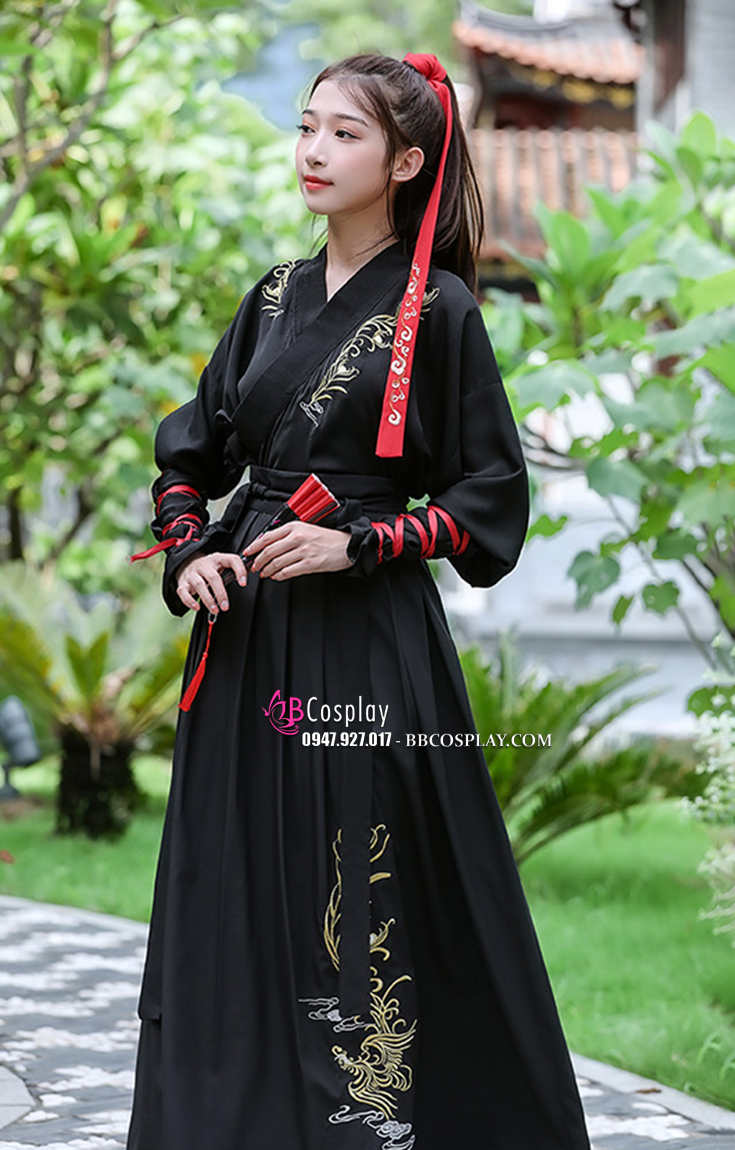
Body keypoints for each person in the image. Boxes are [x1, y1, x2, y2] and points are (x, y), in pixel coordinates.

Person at [126, 51, 591, 1150]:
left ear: (406, 162)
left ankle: (364, 1124)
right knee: (234, 873)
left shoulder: (443, 309)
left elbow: (487, 501)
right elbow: (190, 457)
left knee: (354, 875)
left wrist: (362, 542)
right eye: (307, 127)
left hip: (364, 637)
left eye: (344, 134)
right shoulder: (271, 298)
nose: (314, 151)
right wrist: (189, 552)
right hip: (248, 636)